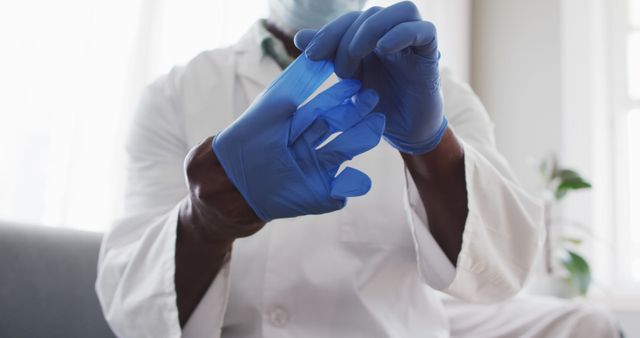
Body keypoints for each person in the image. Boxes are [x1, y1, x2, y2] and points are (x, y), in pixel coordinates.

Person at [95, 0, 599, 337]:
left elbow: (501, 271)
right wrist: (202, 224)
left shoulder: (441, 97)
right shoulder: (176, 94)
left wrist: (430, 146)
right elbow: (133, 308)